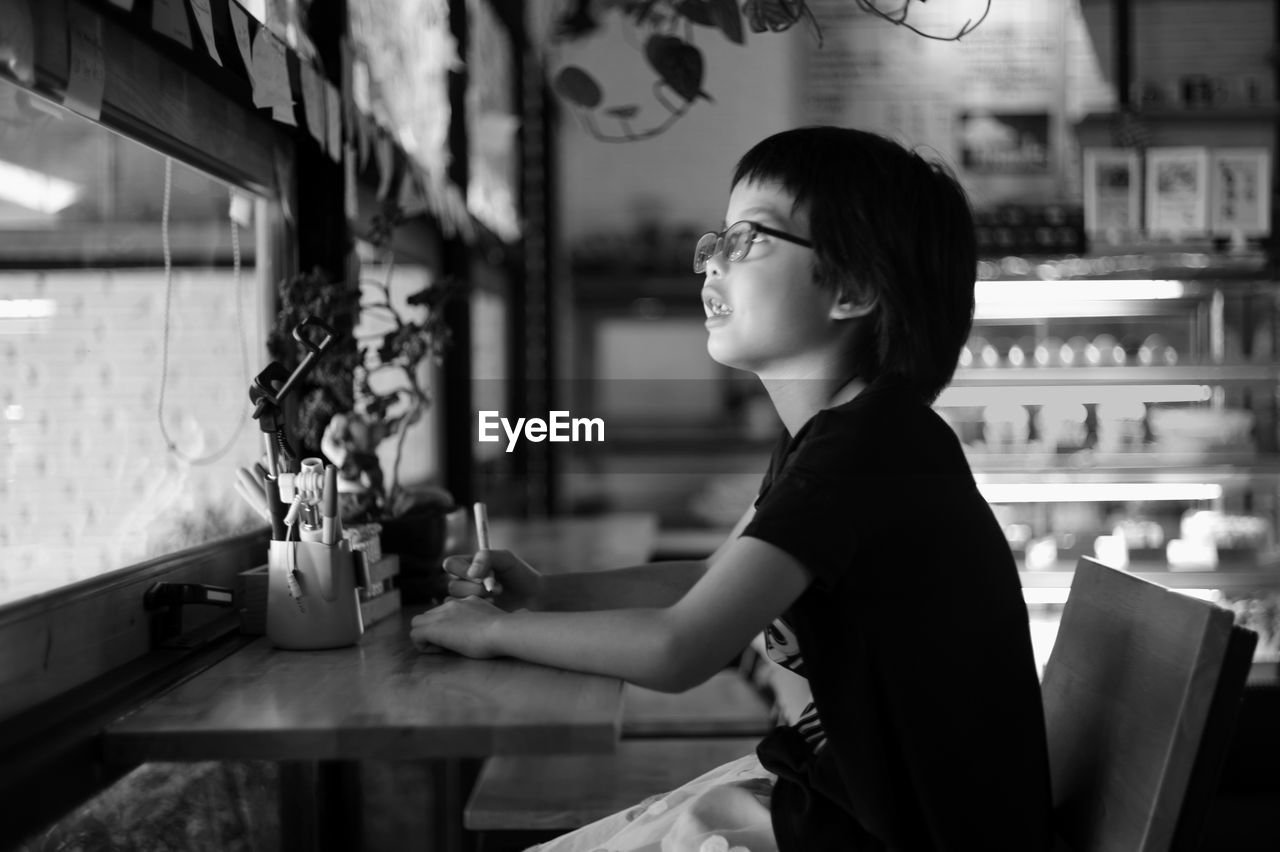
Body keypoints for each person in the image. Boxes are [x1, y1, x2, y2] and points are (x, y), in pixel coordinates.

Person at [411, 126, 1054, 851]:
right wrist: (544, 593)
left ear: (854, 287)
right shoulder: (834, 434)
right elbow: (711, 580)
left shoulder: (871, 448)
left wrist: (496, 632)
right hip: (839, 802)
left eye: (748, 240)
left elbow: (680, 648)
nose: (710, 262)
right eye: (715, 239)